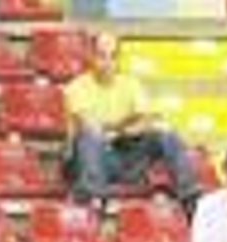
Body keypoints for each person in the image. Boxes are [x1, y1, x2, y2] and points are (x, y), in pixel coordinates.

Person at [63, 31, 199, 212]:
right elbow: (89, 125)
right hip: (89, 160)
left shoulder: (131, 84)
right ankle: (94, 200)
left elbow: (148, 120)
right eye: (102, 56)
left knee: (165, 132)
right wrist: (127, 123)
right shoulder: (76, 88)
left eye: (113, 56)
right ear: (91, 56)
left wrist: (119, 130)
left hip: (125, 154)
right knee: (91, 136)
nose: (108, 62)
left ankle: (190, 197)